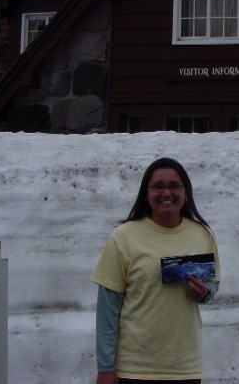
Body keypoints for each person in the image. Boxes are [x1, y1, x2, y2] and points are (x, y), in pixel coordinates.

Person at [91, 158, 220, 384]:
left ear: (186, 192)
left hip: (185, 368)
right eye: (158, 186)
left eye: (174, 186)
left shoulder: (202, 235)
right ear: (146, 193)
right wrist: (105, 368)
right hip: (134, 370)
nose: (166, 192)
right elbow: (107, 309)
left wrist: (205, 292)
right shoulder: (123, 237)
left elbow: (212, 283)